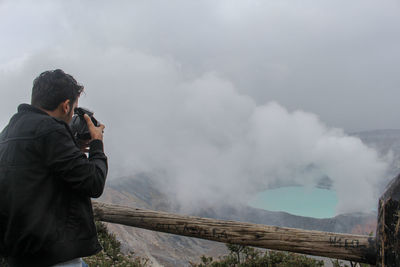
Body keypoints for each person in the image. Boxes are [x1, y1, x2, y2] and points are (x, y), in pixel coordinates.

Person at [0, 69, 108, 266]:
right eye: (75, 108)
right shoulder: (51, 131)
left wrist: (73, 148)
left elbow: (39, 174)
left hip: (18, 255)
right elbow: (94, 183)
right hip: (52, 255)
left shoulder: (8, 132)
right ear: (66, 106)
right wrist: (96, 144)